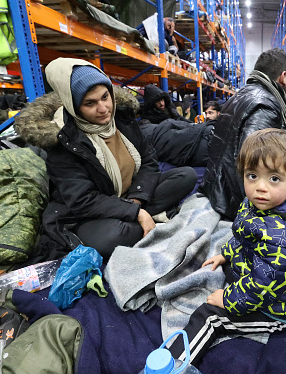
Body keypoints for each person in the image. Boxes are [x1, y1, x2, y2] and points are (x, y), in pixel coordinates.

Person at [168, 129, 286, 366]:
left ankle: (170, 368)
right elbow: (245, 235)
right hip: (260, 273)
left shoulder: (285, 240)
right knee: (220, 262)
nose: (260, 187)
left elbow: (261, 286)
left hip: (280, 308)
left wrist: (228, 300)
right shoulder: (259, 204)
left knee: (210, 317)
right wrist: (226, 254)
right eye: (252, 175)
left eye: (274, 178)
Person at [27, 58, 197, 259]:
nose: (103, 108)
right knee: (112, 238)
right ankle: (144, 219)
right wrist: (136, 212)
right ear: (73, 106)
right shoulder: (64, 141)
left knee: (186, 175)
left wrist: (135, 202)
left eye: (105, 97)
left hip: (130, 196)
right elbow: (83, 200)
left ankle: (138, 221)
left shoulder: (122, 119)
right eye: (90, 103)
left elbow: (149, 161)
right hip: (89, 214)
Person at [200, 48, 286, 220]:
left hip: (216, 188)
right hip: (234, 202)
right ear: (283, 76)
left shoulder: (240, 94)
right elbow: (257, 163)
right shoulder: (266, 105)